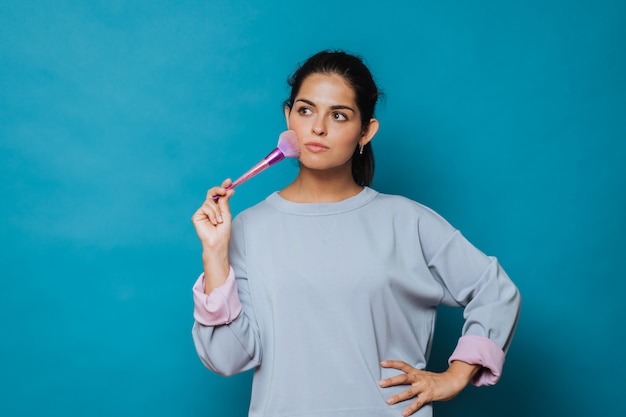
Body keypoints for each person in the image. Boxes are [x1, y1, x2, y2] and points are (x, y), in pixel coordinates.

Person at [190, 50, 521, 417]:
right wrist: (215, 255)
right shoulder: (249, 229)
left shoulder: (406, 221)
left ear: (366, 131)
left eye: (338, 115)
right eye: (305, 110)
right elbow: (227, 359)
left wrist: (456, 375)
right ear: (288, 118)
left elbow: (495, 291)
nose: (317, 127)